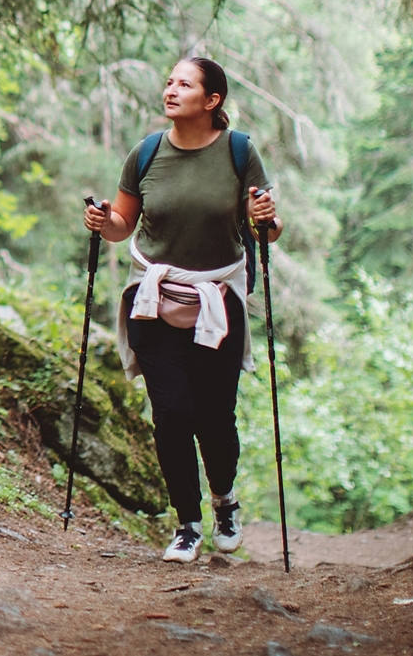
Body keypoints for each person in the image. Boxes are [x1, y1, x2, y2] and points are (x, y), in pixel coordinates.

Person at [82, 57, 281, 563]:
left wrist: (266, 218)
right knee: (171, 414)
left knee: (215, 417)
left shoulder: (238, 152)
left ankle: (224, 502)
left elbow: (266, 229)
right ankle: (187, 525)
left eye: (184, 84)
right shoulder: (146, 152)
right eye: (169, 81)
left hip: (219, 298)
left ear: (212, 100)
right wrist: (102, 219)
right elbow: (123, 224)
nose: (171, 89)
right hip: (152, 298)